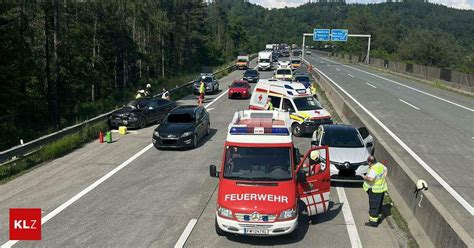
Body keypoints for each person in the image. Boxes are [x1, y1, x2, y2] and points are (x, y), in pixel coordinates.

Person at [363, 155, 388, 227]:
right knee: (379, 205)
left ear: (370, 162)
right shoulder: (380, 165)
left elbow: (371, 179)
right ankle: (378, 218)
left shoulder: (373, 170)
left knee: (374, 205)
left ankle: (373, 222)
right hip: (381, 189)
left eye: (368, 162)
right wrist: (383, 178)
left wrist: (365, 177)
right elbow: (386, 170)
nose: (368, 163)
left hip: (375, 190)